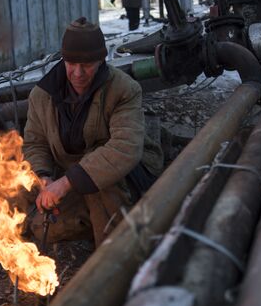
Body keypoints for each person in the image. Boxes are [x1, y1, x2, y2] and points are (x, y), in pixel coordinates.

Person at [22, 17, 163, 247]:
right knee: (34, 217)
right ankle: (96, 221)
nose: (78, 73)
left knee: (103, 190)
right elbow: (35, 143)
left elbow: (124, 148)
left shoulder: (124, 90)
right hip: (75, 176)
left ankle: (113, 262)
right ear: (63, 60)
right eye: (72, 63)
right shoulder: (42, 95)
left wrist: (66, 182)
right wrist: (44, 176)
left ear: (101, 60)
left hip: (124, 175)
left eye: (87, 64)